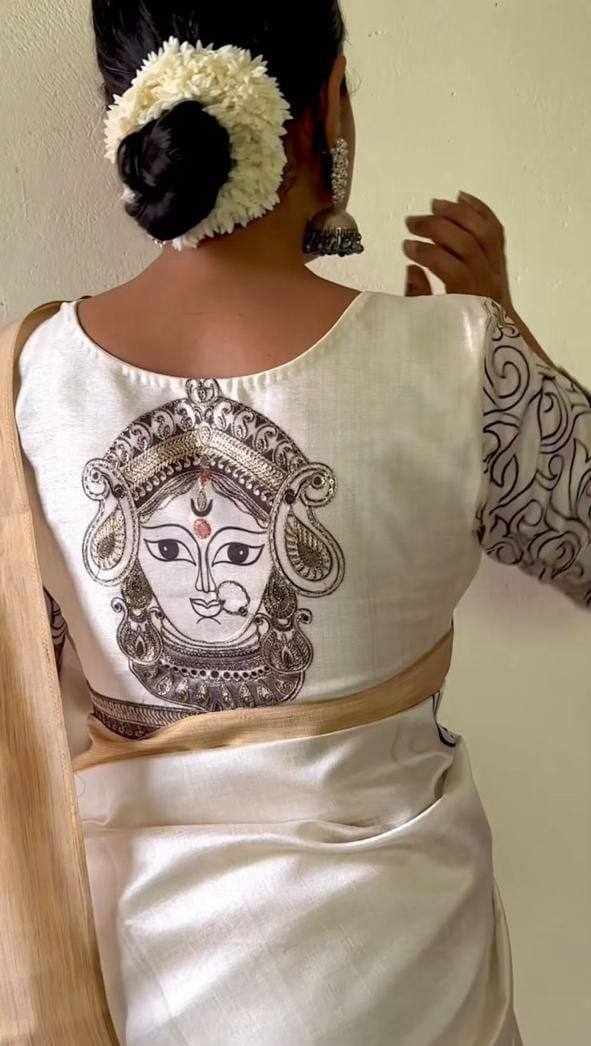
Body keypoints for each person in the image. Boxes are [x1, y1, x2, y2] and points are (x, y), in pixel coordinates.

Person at [11, 3, 591, 1044]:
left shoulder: (30, 377)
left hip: (135, 980)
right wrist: (511, 344)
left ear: (129, 120)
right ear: (327, 106)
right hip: (404, 982)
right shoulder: (458, 357)